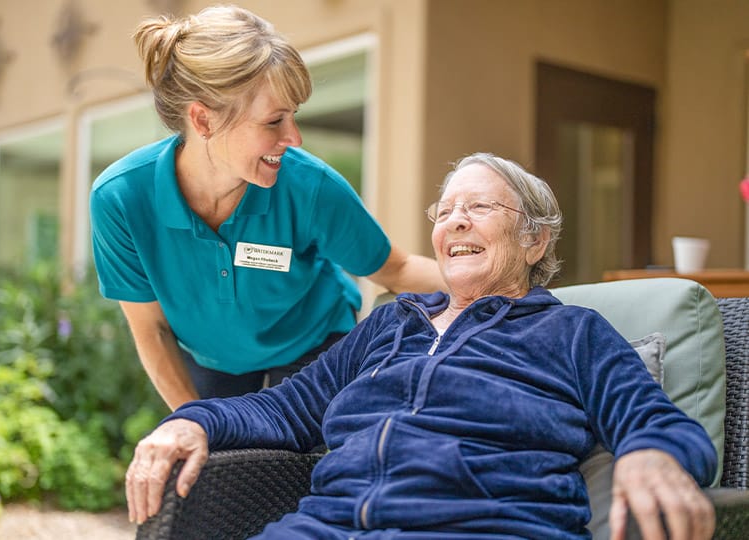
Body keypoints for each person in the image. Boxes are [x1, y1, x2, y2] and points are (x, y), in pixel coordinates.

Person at [125, 152, 717, 539]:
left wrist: (652, 453)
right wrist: (193, 421)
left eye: (479, 207)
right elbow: (284, 408)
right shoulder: (390, 325)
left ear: (534, 241)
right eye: (446, 211)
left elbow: (654, 419)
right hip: (330, 525)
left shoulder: (571, 332)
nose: (455, 222)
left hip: (480, 526)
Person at [89, 5, 444, 410]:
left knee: (293, 448)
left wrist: (496, 282)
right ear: (203, 121)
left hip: (313, 343)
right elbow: (151, 329)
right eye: (274, 121)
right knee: (217, 448)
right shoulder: (121, 199)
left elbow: (396, 269)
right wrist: (196, 422)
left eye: (293, 116)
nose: (294, 138)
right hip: (212, 359)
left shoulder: (311, 187)